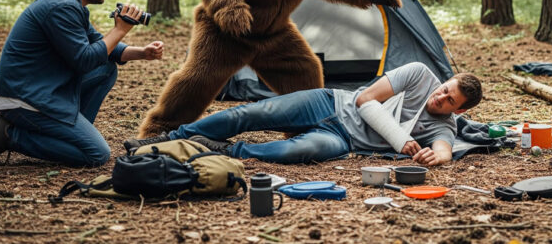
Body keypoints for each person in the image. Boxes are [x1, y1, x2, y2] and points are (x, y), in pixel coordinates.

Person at [0, 0, 164, 168]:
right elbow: (84, 60)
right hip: (25, 97)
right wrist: (121, 29)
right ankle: (9, 134)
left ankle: (70, 133)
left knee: (105, 68)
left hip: (43, 86)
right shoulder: (61, 7)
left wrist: (142, 53)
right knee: (96, 154)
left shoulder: (70, 3)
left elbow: (100, 46)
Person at [124, 62, 482, 166]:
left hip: (343, 140)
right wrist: (402, 140)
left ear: (460, 110)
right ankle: (172, 137)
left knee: (296, 151)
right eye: (445, 88)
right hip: (331, 103)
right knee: (252, 112)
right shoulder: (420, 74)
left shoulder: (445, 125)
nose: (440, 96)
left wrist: (437, 156)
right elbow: (366, 101)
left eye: (450, 100)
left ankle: (222, 150)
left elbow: (445, 150)